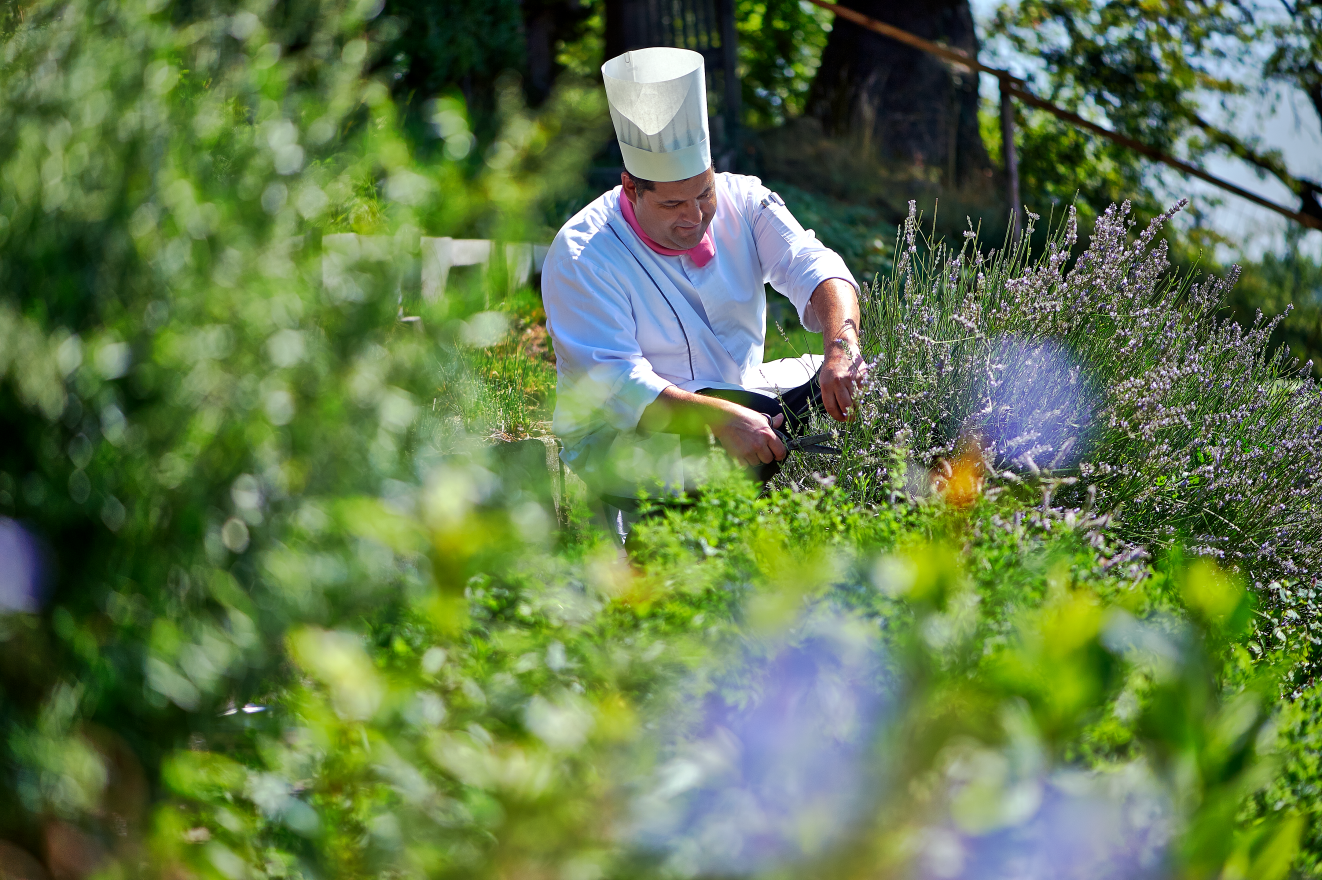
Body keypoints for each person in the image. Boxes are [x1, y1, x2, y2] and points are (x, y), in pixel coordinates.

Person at [542, 46, 864, 538]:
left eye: (703, 194)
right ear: (631, 187)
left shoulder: (745, 200)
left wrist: (842, 348)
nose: (694, 217)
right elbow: (616, 383)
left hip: (740, 395)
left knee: (868, 383)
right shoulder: (583, 252)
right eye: (672, 204)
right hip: (621, 431)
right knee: (704, 449)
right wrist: (718, 419)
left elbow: (815, 266)